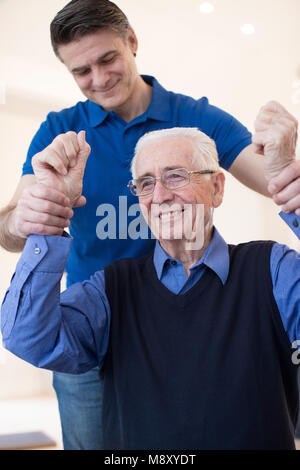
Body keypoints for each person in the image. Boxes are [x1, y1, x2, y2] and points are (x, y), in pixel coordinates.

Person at [0, 0, 299, 450]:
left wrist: (284, 162)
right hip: (97, 318)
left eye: (108, 59)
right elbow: (9, 231)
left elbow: (277, 182)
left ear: (132, 42)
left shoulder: (196, 118)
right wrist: (29, 219)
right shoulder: (60, 132)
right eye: (81, 71)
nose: (98, 79)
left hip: (191, 312)